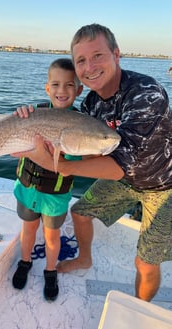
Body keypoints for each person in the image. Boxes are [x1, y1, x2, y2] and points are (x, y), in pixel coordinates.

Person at [12, 23, 172, 302]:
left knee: (145, 263)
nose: (90, 66)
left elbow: (118, 163)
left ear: (116, 55)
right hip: (124, 180)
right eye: (81, 60)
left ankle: (137, 310)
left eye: (98, 55)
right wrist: (32, 122)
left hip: (163, 185)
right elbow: (90, 154)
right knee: (80, 213)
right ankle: (84, 259)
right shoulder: (90, 105)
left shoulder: (146, 92)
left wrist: (58, 165)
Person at [12, 58, 83, 301]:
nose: (61, 91)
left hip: (56, 195)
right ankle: (24, 261)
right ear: (47, 88)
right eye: (56, 84)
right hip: (28, 188)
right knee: (28, 229)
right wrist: (17, 118)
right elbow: (14, 139)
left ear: (79, 89)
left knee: (52, 237)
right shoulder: (33, 112)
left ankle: (50, 271)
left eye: (69, 85)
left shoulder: (81, 124)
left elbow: (73, 161)